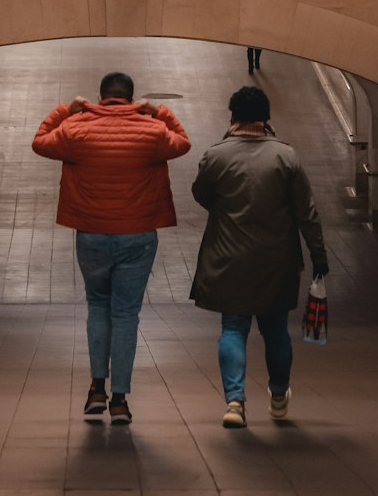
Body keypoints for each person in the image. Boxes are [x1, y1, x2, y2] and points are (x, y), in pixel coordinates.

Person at [32, 71, 191, 425]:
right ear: (132, 98)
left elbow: (40, 142)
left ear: (100, 97)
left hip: (91, 233)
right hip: (137, 235)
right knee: (125, 314)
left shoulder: (76, 129)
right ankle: (119, 400)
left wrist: (64, 110)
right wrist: (159, 111)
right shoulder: (151, 132)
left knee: (97, 307)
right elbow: (183, 142)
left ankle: (95, 391)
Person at [190, 85, 328, 430]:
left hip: (228, 258)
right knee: (276, 330)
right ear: (267, 118)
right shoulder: (286, 156)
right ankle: (279, 394)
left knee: (233, 329)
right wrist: (318, 254)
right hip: (276, 260)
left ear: (232, 116)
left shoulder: (216, 156)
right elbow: (306, 213)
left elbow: (201, 194)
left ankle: (235, 402)